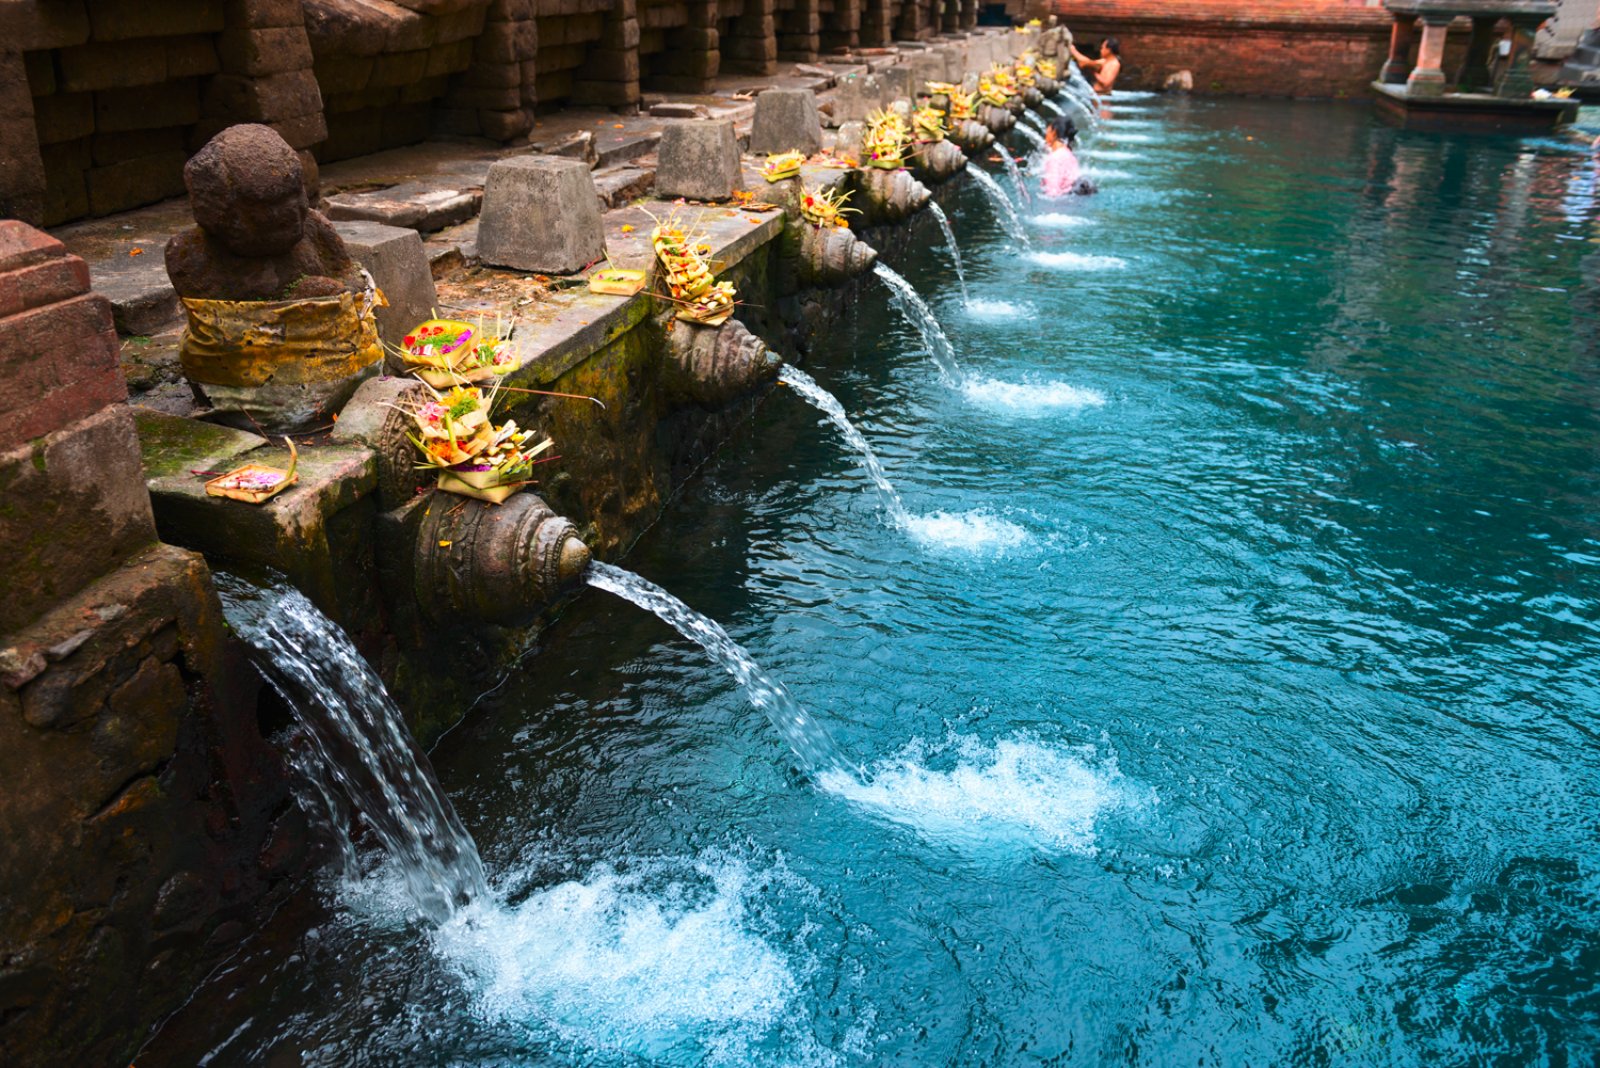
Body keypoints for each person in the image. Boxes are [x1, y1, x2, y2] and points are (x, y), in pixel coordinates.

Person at [1041, 116, 1097, 197]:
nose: (1045, 135)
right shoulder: (1069, 155)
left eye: (1048, 131)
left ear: (1054, 132)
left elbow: (1052, 193)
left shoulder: (1054, 158)